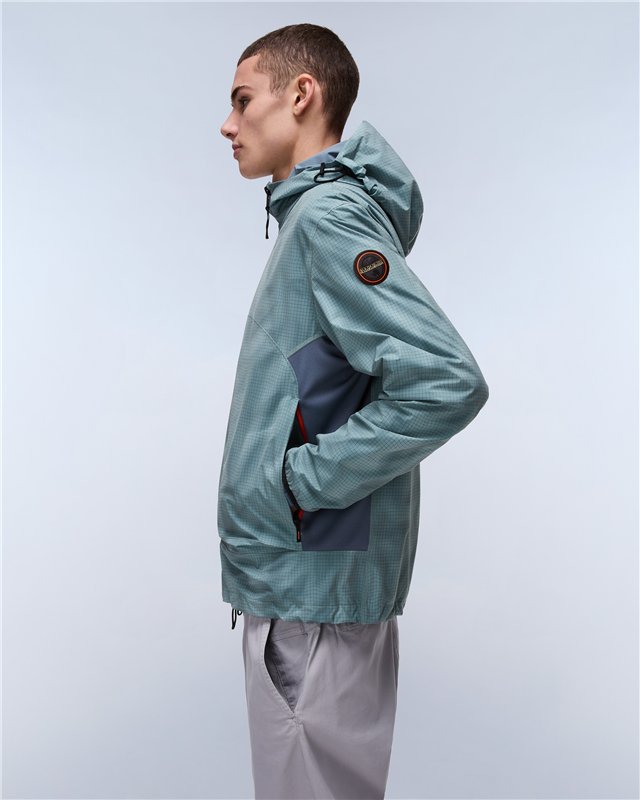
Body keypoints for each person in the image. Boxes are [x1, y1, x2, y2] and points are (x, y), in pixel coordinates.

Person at [217, 23, 489, 800]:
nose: (228, 125)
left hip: (311, 596)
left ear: (301, 95)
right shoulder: (319, 217)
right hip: (310, 587)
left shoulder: (327, 220)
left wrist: (299, 484)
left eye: (243, 100)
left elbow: (445, 380)